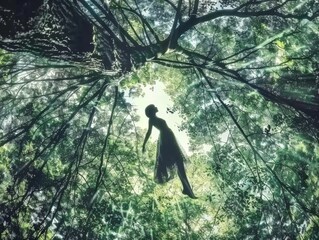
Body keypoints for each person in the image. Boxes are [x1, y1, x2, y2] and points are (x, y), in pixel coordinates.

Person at [142, 104, 197, 199]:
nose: (156, 106)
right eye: (154, 106)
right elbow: (149, 132)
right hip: (166, 138)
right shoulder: (151, 120)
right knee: (178, 161)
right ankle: (187, 189)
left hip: (169, 137)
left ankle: (186, 188)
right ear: (152, 111)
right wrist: (144, 144)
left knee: (179, 162)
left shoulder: (154, 118)